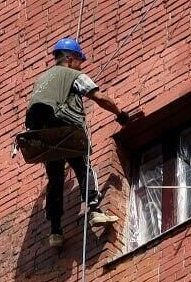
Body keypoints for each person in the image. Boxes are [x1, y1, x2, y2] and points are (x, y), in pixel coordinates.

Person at [26, 37, 131, 248]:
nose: (80, 65)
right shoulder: (73, 74)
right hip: (65, 126)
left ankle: (55, 232)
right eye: (79, 61)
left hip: (41, 133)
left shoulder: (41, 80)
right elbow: (99, 97)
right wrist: (120, 114)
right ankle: (94, 210)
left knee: (54, 178)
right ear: (71, 58)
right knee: (83, 167)